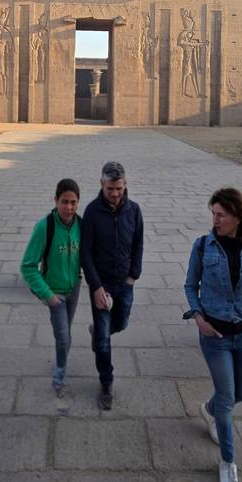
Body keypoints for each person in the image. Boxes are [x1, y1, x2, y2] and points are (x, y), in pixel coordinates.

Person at [183, 188, 242, 482]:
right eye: (213, 214)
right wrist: (199, 318)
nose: (214, 220)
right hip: (215, 336)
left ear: (237, 217)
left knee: (240, 393)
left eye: (221, 215)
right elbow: (191, 285)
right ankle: (228, 464)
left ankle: (208, 410)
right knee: (229, 398)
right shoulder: (203, 246)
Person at [81, 161, 144, 410]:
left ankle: (97, 331)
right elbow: (85, 253)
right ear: (101, 185)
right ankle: (106, 382)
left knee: (121, 323)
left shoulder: (134, 210)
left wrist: (133, 276)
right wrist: (96, 287)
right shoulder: (92, 212)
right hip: (102, 285)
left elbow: (138, 243)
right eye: (110, 189)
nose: (115, 194)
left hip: (125, 282)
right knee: (105, 341)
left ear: (125, 185)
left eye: (119, 188)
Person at [21, 179, 81, 397]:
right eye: (64, 202)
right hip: (54, 292)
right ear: (55, 200)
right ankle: (59, 375)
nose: (69, 208)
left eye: (73, 202)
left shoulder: (81, 225)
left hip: (74, 289)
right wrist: (47, 295)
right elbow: (28, 266)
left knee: (66, 332)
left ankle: (61, 358)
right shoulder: (45, 226)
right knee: (63, 336)